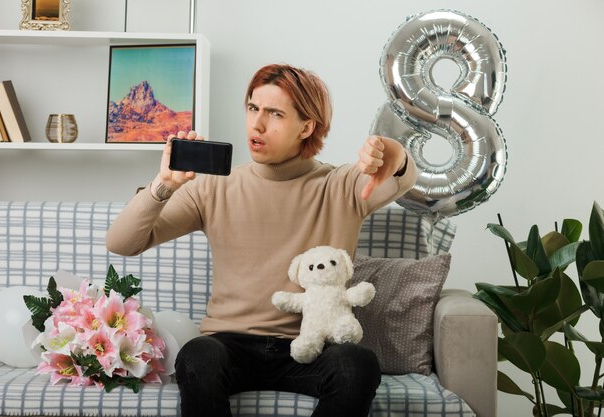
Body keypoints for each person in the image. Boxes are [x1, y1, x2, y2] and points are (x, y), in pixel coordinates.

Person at [106, 63, 417, 417]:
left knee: (356, 364)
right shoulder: (212, 187)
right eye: (253, 108)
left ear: (306, 126)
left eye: (275, 114)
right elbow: (121, 242)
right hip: (230, 346)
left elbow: (403, 177)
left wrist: (393, 153)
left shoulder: (342, 186)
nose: (257, 124)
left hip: (310, 346)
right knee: (196, 356)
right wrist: (163, 186)